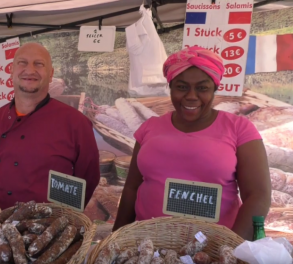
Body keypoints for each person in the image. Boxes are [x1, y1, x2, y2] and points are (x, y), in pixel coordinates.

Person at [112, 46, 271, 240]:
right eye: (182, 87)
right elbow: (131, 188)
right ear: (170, 87)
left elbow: (258, 195)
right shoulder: (149, 128)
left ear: (215, 88)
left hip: (212, 249)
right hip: (147, 245)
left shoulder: (239, 128)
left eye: (202, 88)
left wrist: (232, 248)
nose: (191, 96)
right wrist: (117, 238)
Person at [0, 42, 100, 211]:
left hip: (47, 231)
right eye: (22, 63)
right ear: (11, 71)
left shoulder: (75, 123)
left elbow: (87, 180)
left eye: (39, 64)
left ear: (51, 74)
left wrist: (63, 219)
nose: (30, 70)